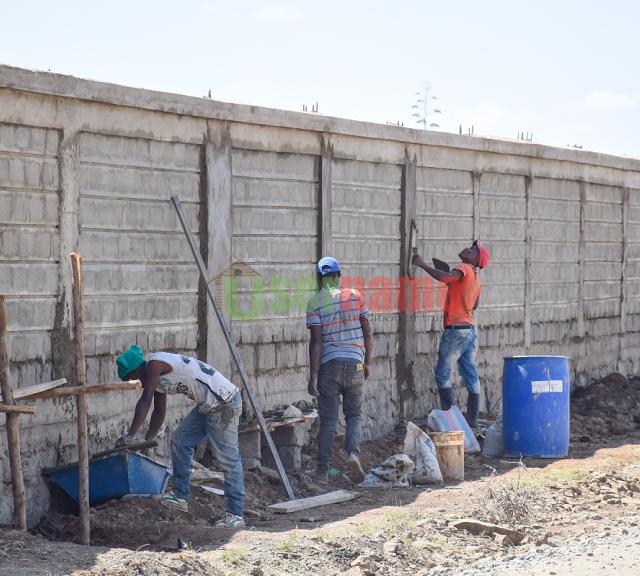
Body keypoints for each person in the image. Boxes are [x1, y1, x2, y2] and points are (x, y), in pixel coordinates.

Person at [115, 345, 245, 528]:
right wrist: (146, 440)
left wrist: (130, 435)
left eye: (131, 378)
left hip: (224, 402)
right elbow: (159, 411)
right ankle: (180, 496)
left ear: (137, 369)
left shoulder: (154, 365)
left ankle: (236, 514)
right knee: (180, 439)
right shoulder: (156, 377)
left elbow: (145, 401)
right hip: (207, 405)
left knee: (228, 459)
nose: (133, 383)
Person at [305, 256, 372, 483]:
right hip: (356, 362)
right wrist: (368, 361)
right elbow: (367, 331)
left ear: (319, 278)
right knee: (354, 414)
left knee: (329, 420)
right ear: (339, 276)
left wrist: (313, 376)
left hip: (329, 365)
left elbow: (316, 342)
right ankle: (353, 454)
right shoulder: (356, 296)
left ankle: (322, 471)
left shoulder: (315, 302)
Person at [412, 240, 490, 428]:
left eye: (472, 250)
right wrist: (456, 288)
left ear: (476, 259)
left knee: (442, 374)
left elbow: (446, 278)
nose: (468, 249)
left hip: (456, 331)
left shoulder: (463, 267)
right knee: (471, 375)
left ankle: (450, 420)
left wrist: (422, 264)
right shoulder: (476, 278)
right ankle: (471, 421)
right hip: (469, 331)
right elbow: (475, 304)